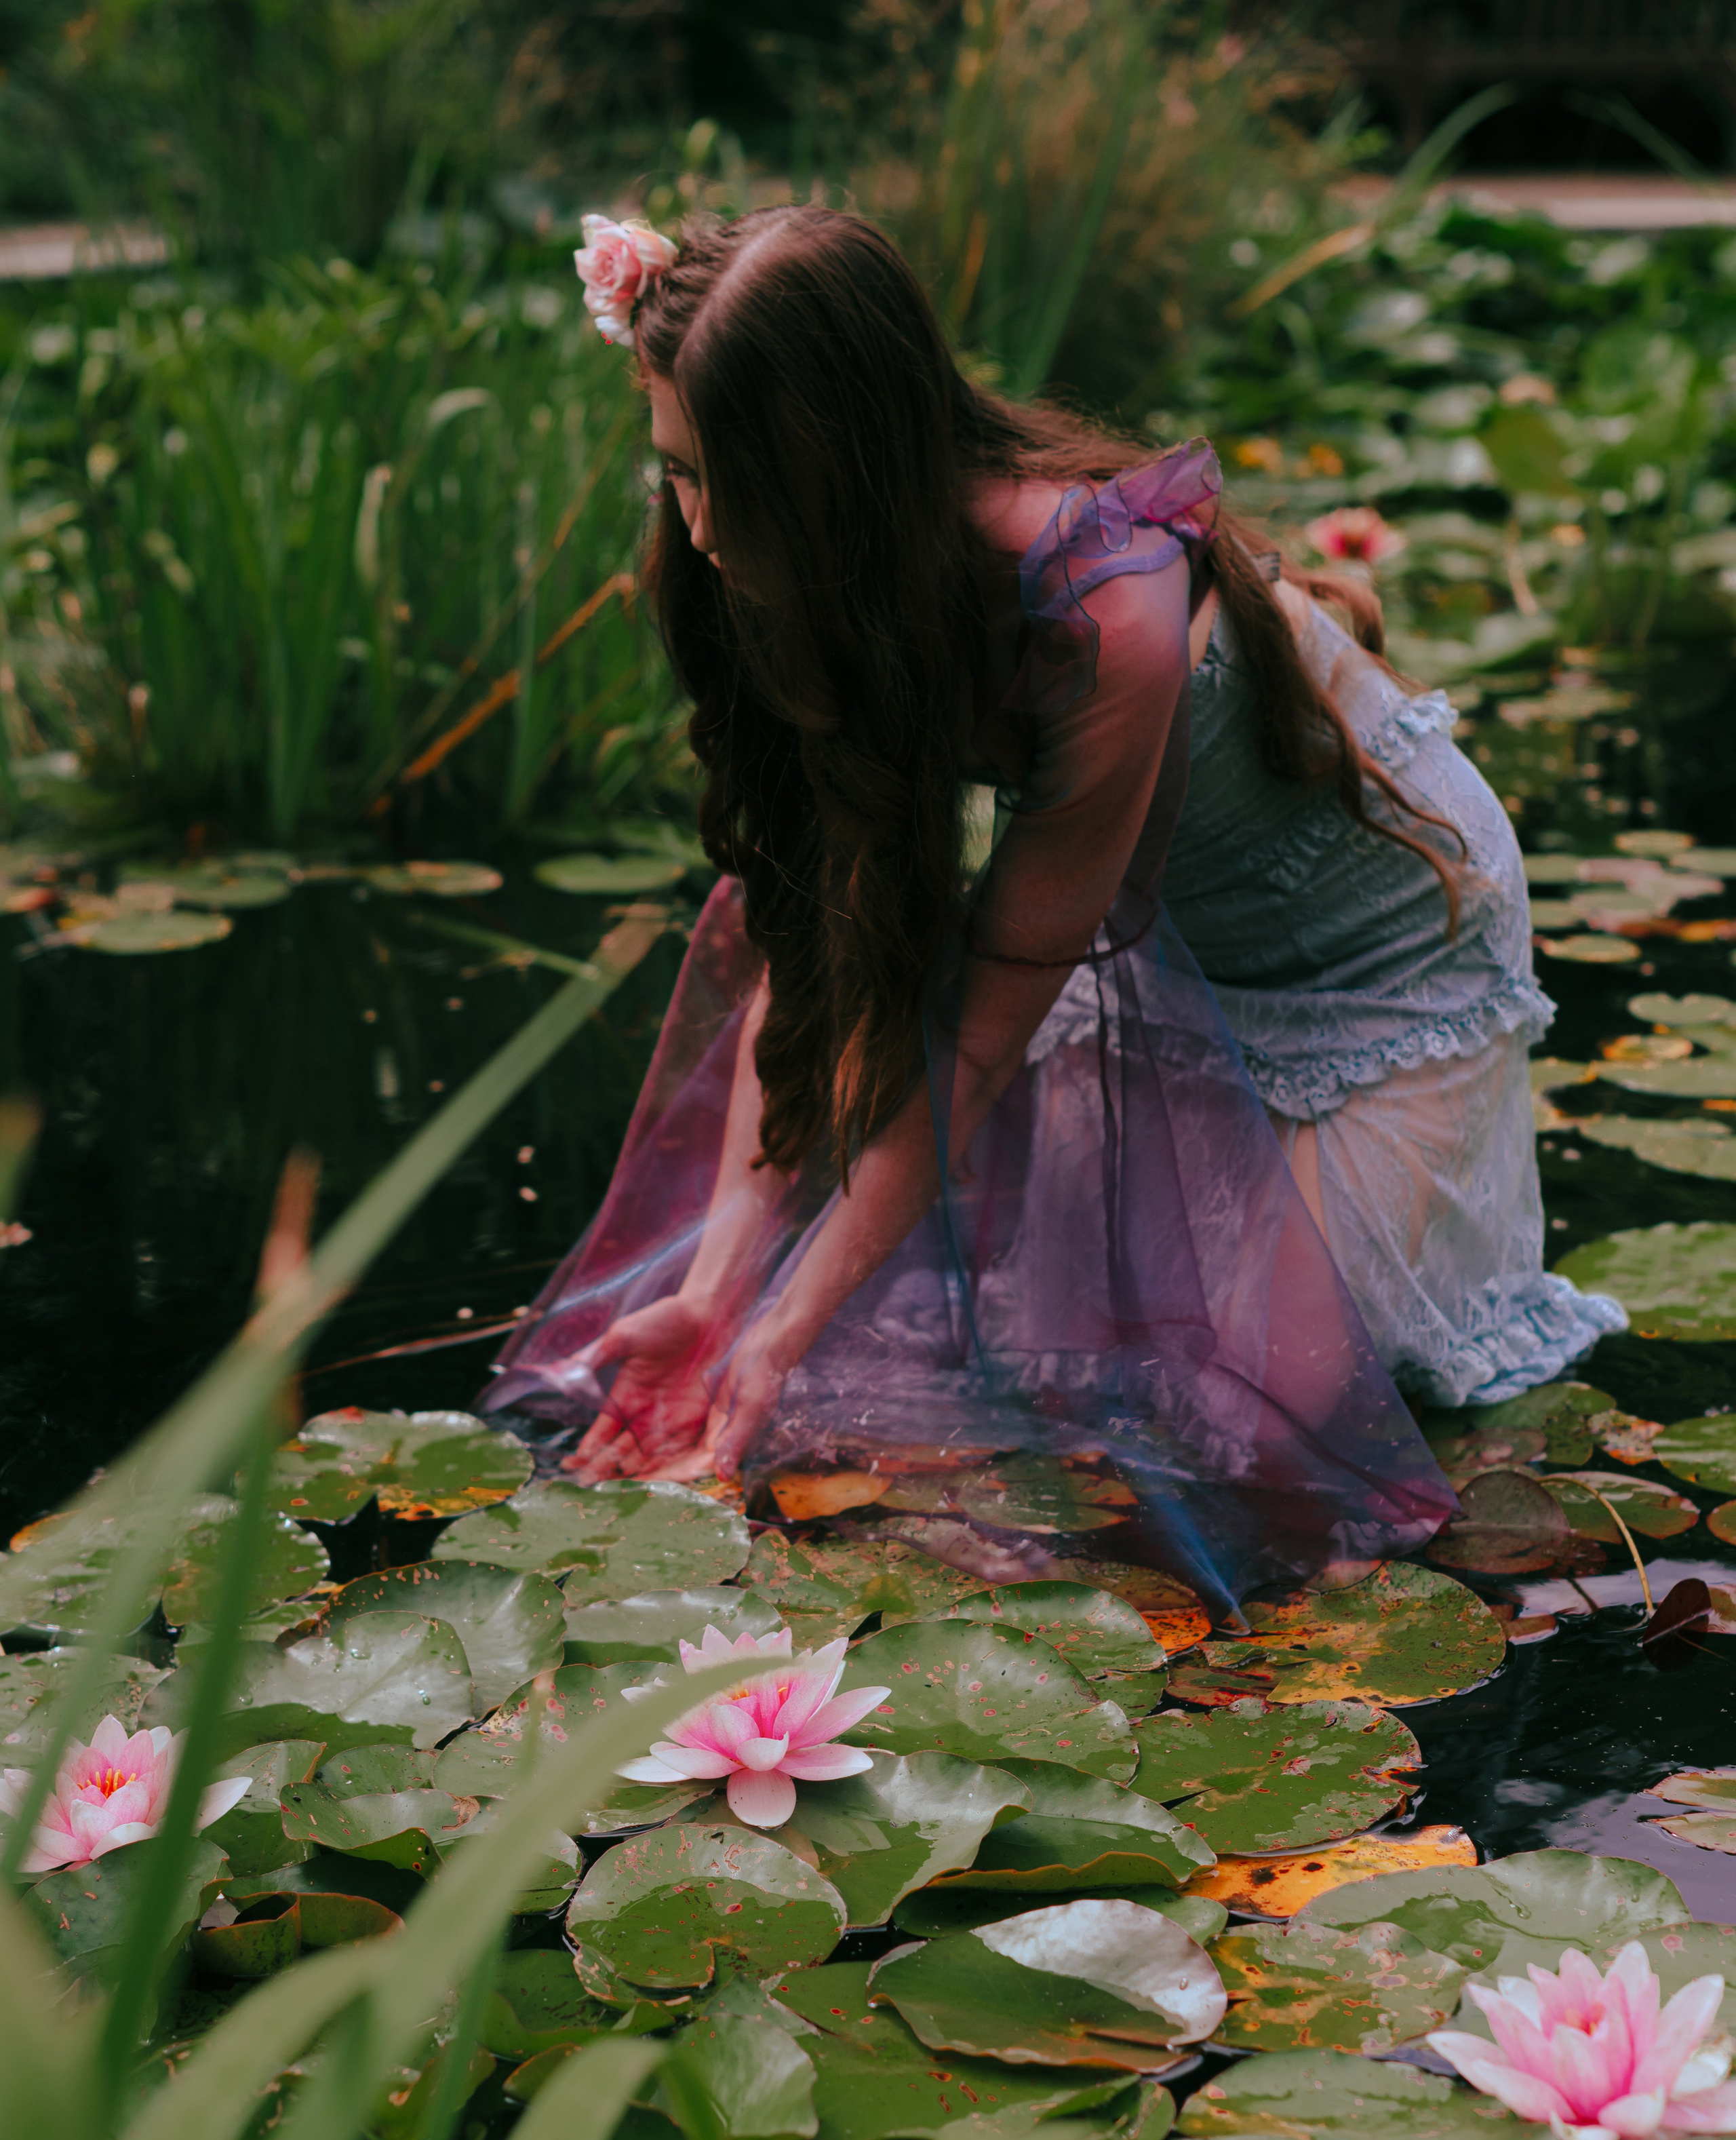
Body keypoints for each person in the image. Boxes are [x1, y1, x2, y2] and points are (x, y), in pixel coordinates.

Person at [480, 206, 1621, 1616]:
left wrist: (786, 1324)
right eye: (676, 476)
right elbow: (814, 938)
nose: (702, 532)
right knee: (1046, 1353)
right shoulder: (775, 561)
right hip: (1147, 921)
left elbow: (970, 1035)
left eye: (733, 488)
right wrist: (724, 1288)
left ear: (840, 473)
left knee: (1275, 1412)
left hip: (1379, 948)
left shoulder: (1103, 610)